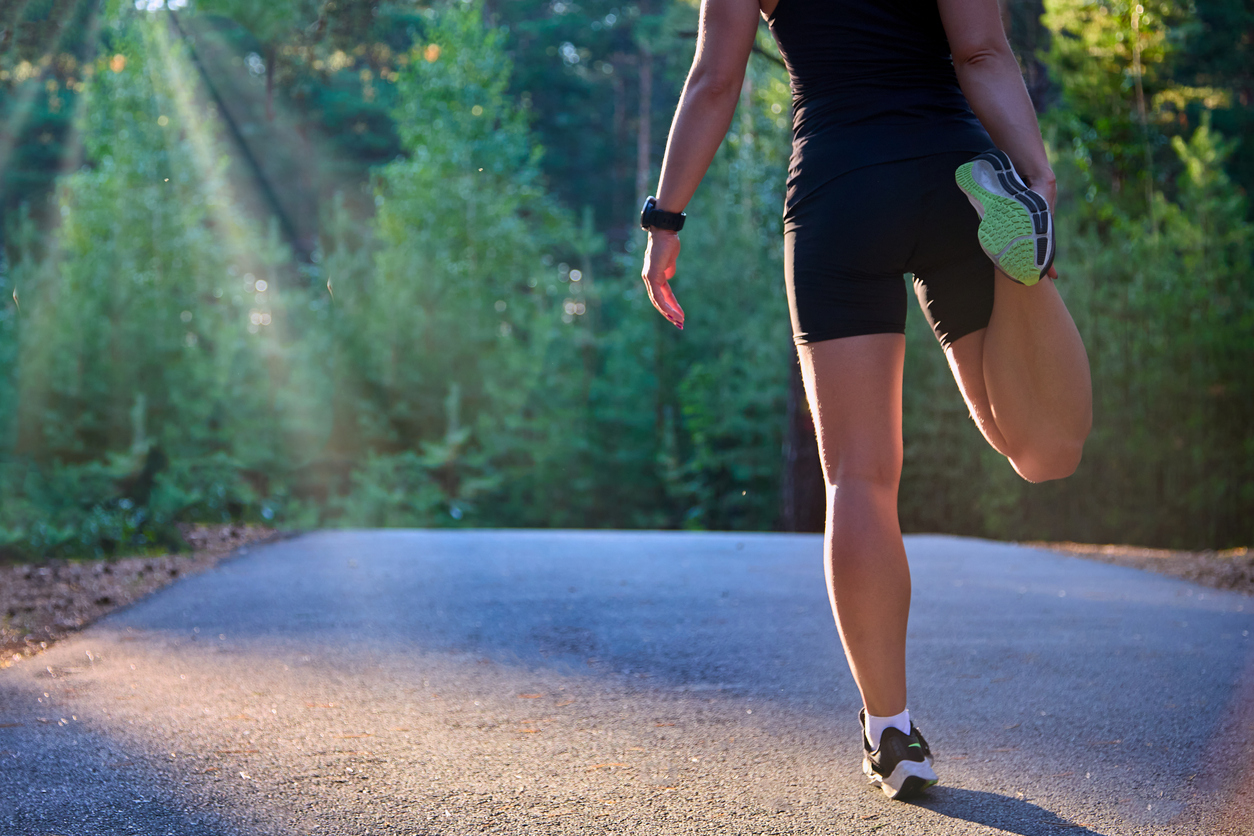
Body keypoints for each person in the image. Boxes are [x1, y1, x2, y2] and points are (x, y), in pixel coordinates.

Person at [639, 0, 1093, 801]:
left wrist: (665, 218)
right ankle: (1022, 249)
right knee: (1039, 449)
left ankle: (892, 734)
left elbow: (716, 78)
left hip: (840, 187)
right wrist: (1037, 170)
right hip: (958, 172)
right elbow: (983, 52)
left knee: (859, 473)